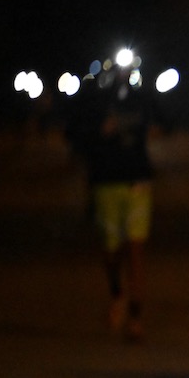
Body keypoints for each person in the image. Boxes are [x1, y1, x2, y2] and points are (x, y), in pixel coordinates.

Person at [66, 57, 158, 342]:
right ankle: (117, 293)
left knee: (135, 249)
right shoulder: (93, 102)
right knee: (111, 250)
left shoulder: (142, 99)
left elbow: (165, 121)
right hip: (105, 182)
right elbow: (74, 137)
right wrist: (97, 134)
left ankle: (136, 315)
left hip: (137, 182)